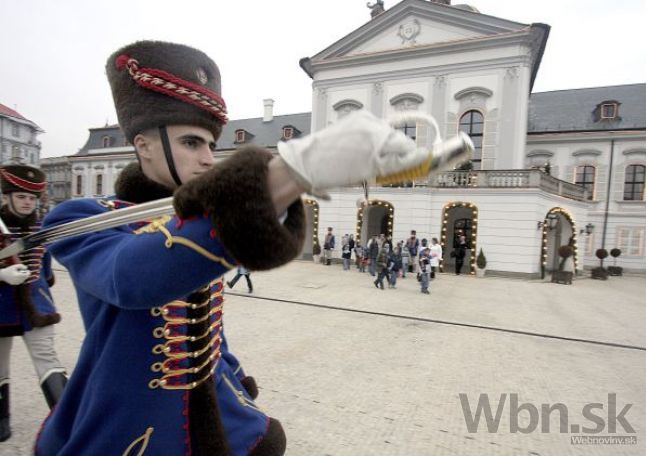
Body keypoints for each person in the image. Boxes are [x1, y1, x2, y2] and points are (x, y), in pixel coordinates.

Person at [35, 40, 428, 455]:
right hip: (133, 423)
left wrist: (236, 375)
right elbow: (129, 279)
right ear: (143, 145)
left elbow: (207, 321)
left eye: (209, 144)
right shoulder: (81, 216)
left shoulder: (198, 214)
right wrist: (291, 171)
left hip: (214, 405)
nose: (208, 158)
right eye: (191, 143)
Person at [0, 165, 68, 442]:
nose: (28, 202)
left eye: (32, 197)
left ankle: (67, 420)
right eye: (21, 196)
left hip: (37, 307)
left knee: (48, 360)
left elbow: (47, 269)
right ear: (7, 196)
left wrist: (41, 284)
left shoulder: (42, 228)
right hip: (1, 306)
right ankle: (1, 418)